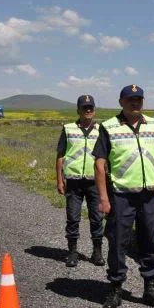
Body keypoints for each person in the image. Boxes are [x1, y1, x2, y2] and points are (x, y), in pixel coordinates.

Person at [93, 84, 154, 308]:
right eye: (130, 100)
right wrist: (103, 199)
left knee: (150, 241)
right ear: (121, 102)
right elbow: (99, 165)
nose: (135, 103)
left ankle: (150, 289)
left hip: (150, 195)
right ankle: (115, 289)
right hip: (121, 196)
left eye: (139, 99)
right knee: (118, 242)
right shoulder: (109, 127)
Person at [56, 94, 105, 267]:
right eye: (84, 108)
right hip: (73, 182)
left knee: (97, 218)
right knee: (73, 218)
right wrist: (59, 180)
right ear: (78, 110)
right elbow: (60, 155)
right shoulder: (68, 129)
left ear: (94, 110)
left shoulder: (101, 130)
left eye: (90, 107)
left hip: (95, 182)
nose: (88, 110)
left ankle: (97, 252)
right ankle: (72, 252)